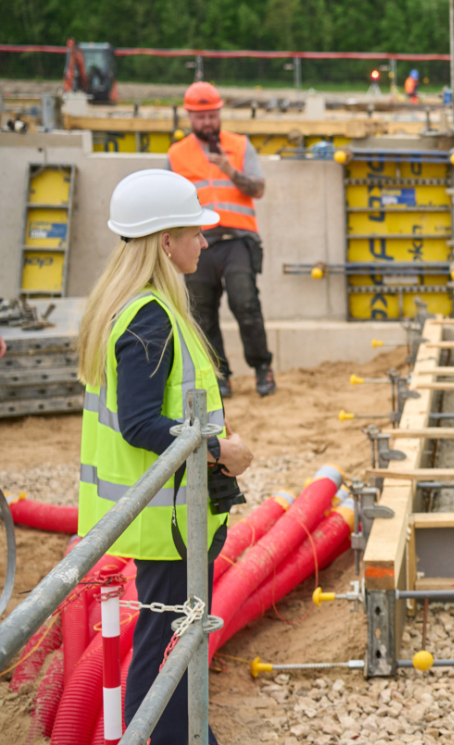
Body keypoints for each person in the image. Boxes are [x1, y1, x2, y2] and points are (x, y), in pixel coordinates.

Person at [76, 168, 256, 745]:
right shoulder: (149, 316)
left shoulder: (137, 306)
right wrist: (220, 449)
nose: (204, 241)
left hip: (168, 516)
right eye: (194, 232)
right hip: (170, 521)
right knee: (167, 649)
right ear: (164, 242)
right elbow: (139, 424)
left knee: (171, 642)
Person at [166, 82, 274, 398]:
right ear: (189, 116)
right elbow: (168, 201)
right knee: (202, 313)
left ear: (220, 113)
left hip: (238, 239)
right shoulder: (176, 154)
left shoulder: (239, 146)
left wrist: (229, 169)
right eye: (200, 117)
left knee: (246, 303)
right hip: (197, 242)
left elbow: (258, 189)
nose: (207, 122)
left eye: (212, 116)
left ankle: (262, 368)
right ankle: (219, 376)